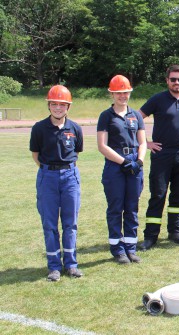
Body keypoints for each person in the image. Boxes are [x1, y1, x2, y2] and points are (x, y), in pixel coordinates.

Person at [139, 65, 179, 250]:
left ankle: (174, 231)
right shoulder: (158, 99)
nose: (177, 83)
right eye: (174, 79)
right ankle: (150, 236)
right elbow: (137, 118)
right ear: (167, 80)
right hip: (162, 154)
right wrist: (146, 142)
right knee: (158, 194)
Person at [29, 85, 84, 281]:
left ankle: (71, 264)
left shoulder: (75, 128)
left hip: (70, 177)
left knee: (71, 223)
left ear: (68, 106)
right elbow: (36, 156)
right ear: (49, 105)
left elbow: (75, 153)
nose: (58, 108)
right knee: (50, 224)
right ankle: (54, 266)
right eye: (54, 104)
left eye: (62, 104)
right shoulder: (39, 128)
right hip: (47, 178)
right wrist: (50, 170)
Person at [97, 75, 147, 264]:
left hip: (135, 162)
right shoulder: (106, 116)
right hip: (115, 164)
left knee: (132, 207)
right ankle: (117, 249)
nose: (122, 96)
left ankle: (131, 247)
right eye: (118, 92)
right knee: (116, 207)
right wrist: (123, 162)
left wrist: (139, 162)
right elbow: (102, 146)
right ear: (112, 94)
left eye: (125, 92)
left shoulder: (135, 116)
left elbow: (142, 142)